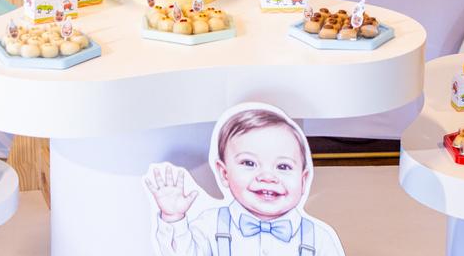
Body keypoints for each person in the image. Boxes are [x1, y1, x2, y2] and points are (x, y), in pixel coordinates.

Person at [145, 109, 344, 256]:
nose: (267, 177)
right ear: (224, 173)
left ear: (303, 179)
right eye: (249, 163)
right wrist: (173, 218)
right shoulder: (210, 225)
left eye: (283, 166)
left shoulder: (319, 238)